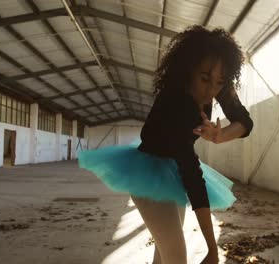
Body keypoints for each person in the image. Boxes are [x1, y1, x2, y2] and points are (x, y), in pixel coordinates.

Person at [78, 25, 253, 264]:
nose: (211, 90)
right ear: (188, 69)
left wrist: (218, 136)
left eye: (219, 82)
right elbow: (192, 176)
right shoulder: (176, 103)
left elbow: (245, 122)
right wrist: (212, 249)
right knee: (176, 256)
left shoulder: (217, 81)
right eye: (205, 79)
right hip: (146, 172)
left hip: (171, 169)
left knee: (165, 253)